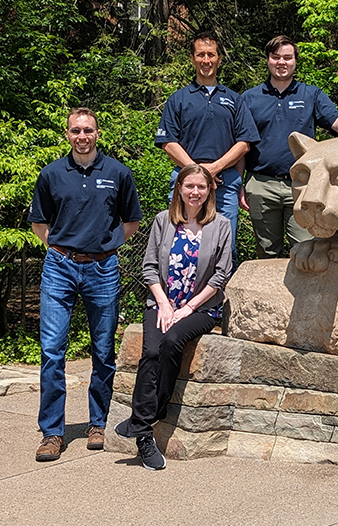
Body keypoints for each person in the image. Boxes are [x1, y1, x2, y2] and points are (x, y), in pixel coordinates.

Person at [29, 108, 142, 461]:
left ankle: (98, 423)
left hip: (102, 269)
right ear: (67, 134)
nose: (82, 136)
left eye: (88, 130)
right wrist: (62, 249)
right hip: (59, 268)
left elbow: (131, 221)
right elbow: (39, 224)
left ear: (97, 134)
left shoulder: (118, 173)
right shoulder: (51, 174)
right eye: (76, 130)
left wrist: (104, 248)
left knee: (103, 352)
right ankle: (51, 432)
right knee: (51, 352)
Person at [114, 164, 232, 470]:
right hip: (162, 304)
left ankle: (145, 418)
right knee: (151, 350)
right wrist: (165, 304)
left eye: (201, 187)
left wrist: (188, 308)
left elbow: (221, 275)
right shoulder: (163, 222)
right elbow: (149, 267)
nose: (195, 192)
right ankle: (145, 436)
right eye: (189, 186)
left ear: (210, 191)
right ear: (179, 188)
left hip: (201, 309)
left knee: (173, 341)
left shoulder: (221, 225)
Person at [240, 35, 338, 257]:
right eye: (276, 57)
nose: (281, 62)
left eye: (287, 57)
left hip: (304, 186)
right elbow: (242, 144)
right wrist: (241, 184)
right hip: (261, 183)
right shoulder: (249, 98)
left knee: (306, 249)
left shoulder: (311, 94)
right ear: (268, 60)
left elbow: (333, 118)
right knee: (266, 252)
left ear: (294, 61)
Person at [155, 31, 260, 266]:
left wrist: (213, 169)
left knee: (225, 248)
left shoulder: (234, 100)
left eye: (211, 54)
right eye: (200, 54)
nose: (206, 60)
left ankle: (221, 301)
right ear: (192, 58)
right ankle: (183, 300)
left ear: (219, 58)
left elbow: (244, 143)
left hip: (224, 185)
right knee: (180, 245)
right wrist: (199, 174)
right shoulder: (178, 99)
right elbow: (168, 142)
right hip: (186, 183)